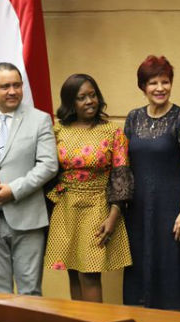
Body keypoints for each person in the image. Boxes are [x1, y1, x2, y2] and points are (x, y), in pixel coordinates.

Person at [0, 62, 58, 295]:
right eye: (5, 86)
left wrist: (14, 190)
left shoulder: (40, 119)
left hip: (27, 216)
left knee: (30, 291)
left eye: (17, 85)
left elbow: (49, 164)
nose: (13, 91)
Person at [123, 55, 180, 310]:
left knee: (175, 271)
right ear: (143, 87)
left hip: (173, 209)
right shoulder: (133, 118)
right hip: (139, 210)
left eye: (165, 81)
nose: (160, 88)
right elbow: (123, 165)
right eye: (153, 83)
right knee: (141, 268)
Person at [44, 74, 133, 302]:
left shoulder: (113, 131)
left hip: (98, 206)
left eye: (92, 95)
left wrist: (114, 215)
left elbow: (121, 175)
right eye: (81, 97)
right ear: (70, 102)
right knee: (72, 271)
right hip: (66, 207)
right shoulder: (57, 130)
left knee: (90, 274)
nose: (89, 101)